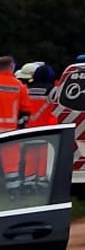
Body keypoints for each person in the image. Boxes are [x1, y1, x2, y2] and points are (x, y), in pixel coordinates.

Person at [1, 55, 36, 196]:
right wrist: (21, 127)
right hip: (10, 131)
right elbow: (26, 110)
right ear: (11, 67)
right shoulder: (18, 86)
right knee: (11, 165)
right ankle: (13, 193)